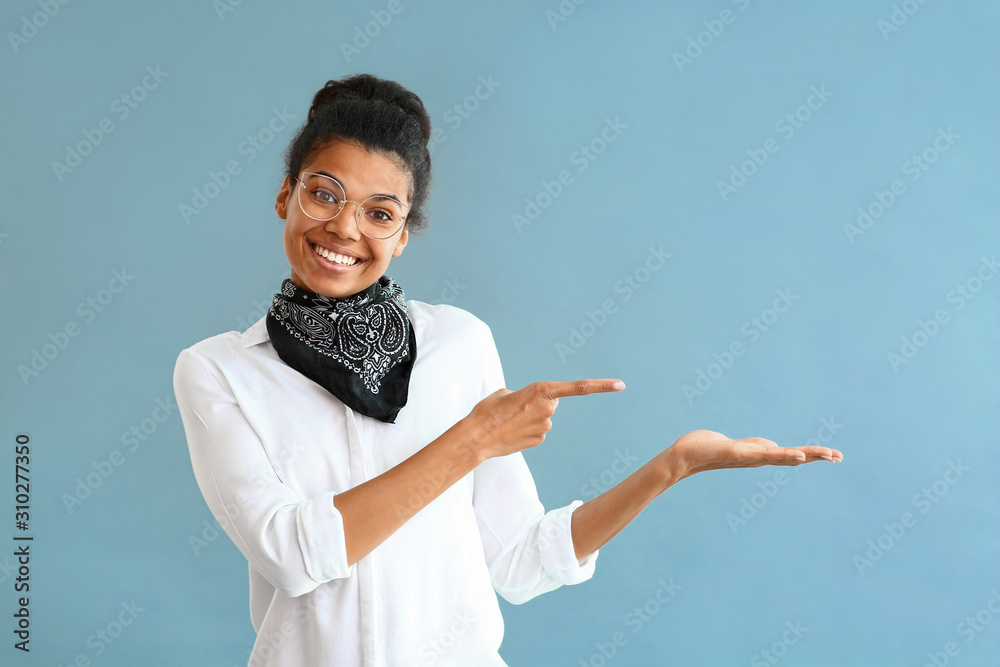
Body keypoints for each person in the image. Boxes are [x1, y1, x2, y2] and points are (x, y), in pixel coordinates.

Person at [172, 73, 843, 667]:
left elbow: (520, 558)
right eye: (325, 194)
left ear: (403, 234)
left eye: (380, 212)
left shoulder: (458, 344)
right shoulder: (220, 370)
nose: (347, 227)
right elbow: (292, 553)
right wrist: (469, 440)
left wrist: (674, 466)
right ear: (286, 196)